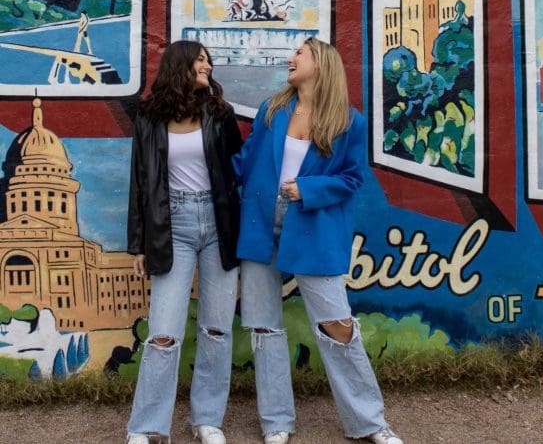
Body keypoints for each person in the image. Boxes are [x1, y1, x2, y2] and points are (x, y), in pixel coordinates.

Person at [234, 37, 402, 444]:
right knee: (264, 328)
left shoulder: (348, 122)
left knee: (337, 325)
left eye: (300, 53)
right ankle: (276, 422)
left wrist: (307, 189)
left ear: (321, 64)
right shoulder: (272, 110)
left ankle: (369, 422)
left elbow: (352, 179)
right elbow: (246, 161)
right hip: (260, 224)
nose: (291, 58)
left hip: (312, 224)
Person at [126, 40, 242, 444]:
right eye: (200, 59)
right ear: (181, 65)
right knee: (163, 333)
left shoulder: (220, 113)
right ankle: (146, 426)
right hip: (170, 225)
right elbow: (140, 181)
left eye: (208, 60)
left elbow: (237, 171)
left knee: (217, 329)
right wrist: (138, 244)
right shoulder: (148, 116)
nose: (207, 65)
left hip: (218, 223)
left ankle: (207, 419)